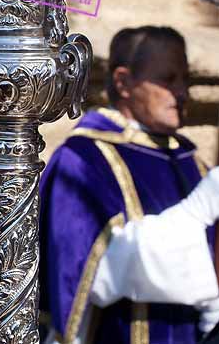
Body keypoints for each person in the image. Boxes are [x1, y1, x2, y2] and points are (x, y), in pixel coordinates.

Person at [39, 25, 219, 344]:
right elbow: (90, 272)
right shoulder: (84, 159)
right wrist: (195, 215)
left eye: (185, 80)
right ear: (123, 82)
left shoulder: (192, 162)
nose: (181, 92)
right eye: (167, 79)